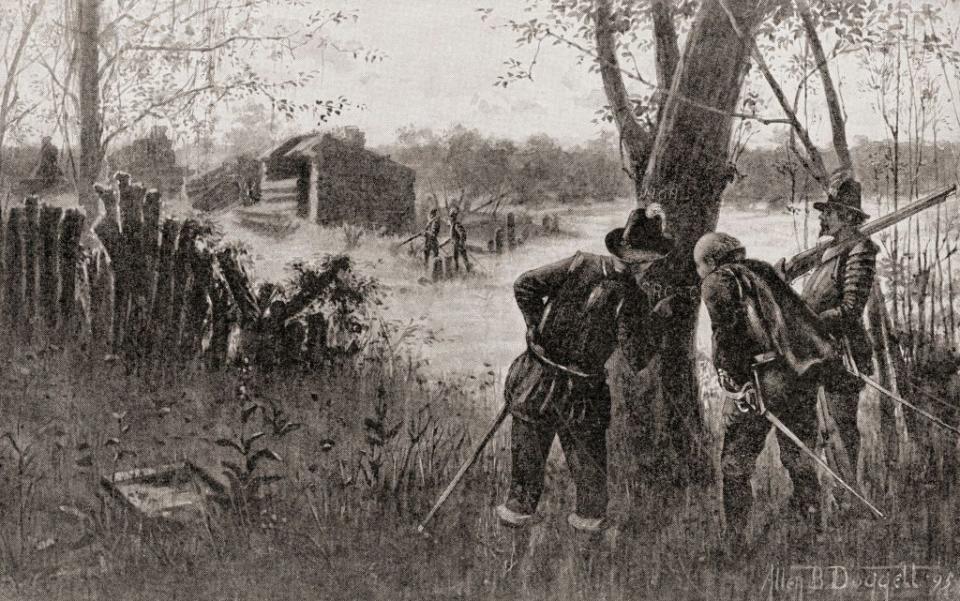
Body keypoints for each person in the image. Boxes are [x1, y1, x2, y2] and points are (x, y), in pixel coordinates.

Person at [496, 207, 682, 533]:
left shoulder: (579, 263)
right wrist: (661, 317)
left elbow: (525, 285)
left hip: (534, 382)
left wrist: (535, 327)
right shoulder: (634, 297)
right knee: (590, 481)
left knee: (525, 479)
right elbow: (637, 357)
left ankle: (512, 546)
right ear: (645, 260)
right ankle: (587, 558)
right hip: (581, 395)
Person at [696, 232, 843, 554]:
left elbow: (727, 336)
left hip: (763, 381)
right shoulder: (762, 269)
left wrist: (736, 383)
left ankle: (735, 543)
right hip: (800, 376)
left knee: (735, 462)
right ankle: (814, 533)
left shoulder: (716, 281)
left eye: (699, 265)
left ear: (709, 262)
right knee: (799, 456)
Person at [797, 172, 877, 482]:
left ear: (844, 216)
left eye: (828, 212)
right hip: (816, 351)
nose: (822, 218)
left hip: (843, 354)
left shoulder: (859, 250)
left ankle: (850, 499)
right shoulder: (829, 251)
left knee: (841, 428)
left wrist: (806, 320)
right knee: (818, 428)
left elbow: (850, 311)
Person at [449, 208, 470, 272]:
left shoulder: (456, 224)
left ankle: (468, 271)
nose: (451, 218)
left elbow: (462, 233)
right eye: (451, 216)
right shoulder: (452, 225)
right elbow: (453, 236)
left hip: (458, 245)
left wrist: (461, 242)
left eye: (452, 216)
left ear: (455, 216)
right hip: (455, 244)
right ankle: (457, 271)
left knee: (463, 258)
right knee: (456, 258)